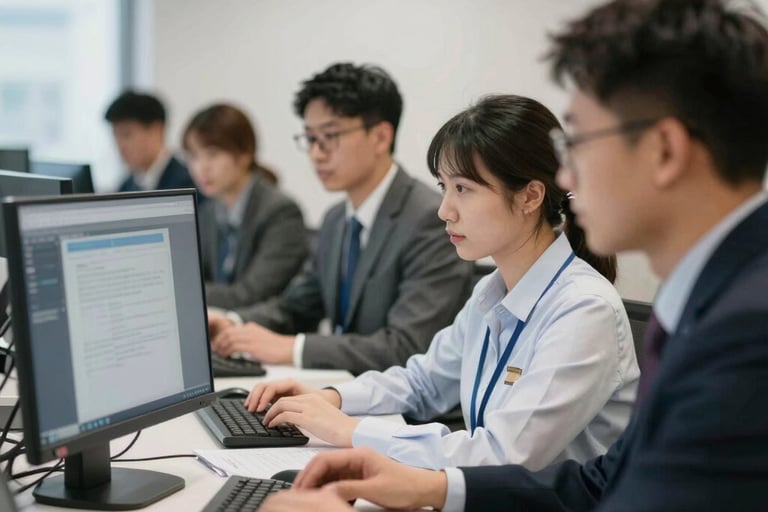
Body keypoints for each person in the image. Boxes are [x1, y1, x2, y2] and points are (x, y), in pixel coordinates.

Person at [260, 0, 768, 510]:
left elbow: (515, 457)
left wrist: (357, 435)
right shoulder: (698, 304)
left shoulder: (737, 331)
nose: (566, 179)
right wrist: (428, 483)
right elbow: (597, 481)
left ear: (665, 151)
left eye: (581, 145)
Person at [246, 94, 638, 470]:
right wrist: (331, 398)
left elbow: (505, 455)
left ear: (530, 196)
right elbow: (423, 382)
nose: (444, 210)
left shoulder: (584, 310)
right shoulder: (492, 290)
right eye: (443, 188)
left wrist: (352, 431)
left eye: (463, 189)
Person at [208, 63, 473, 374]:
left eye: (330, 136)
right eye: (310, 138)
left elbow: (408, 346)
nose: (317, 154)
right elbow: (296, 306)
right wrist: (233, 324)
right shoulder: (336, 219)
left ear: (380, 137)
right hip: (346, 394)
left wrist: (291, 348)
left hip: (407, 414)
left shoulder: (429, 218)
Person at [182, 103, 308, 310]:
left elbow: (250, 295)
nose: (201, 168)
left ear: (244, 154)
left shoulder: (280, 212)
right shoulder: (209, 211)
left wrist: (184, 290)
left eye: (212, 154)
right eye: (193, 156)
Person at [104, 90, 198, 195]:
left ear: (156, 130)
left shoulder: (189, 184)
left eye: (126, 134)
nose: (120, 145)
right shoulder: (126, 186)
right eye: (115, 137)